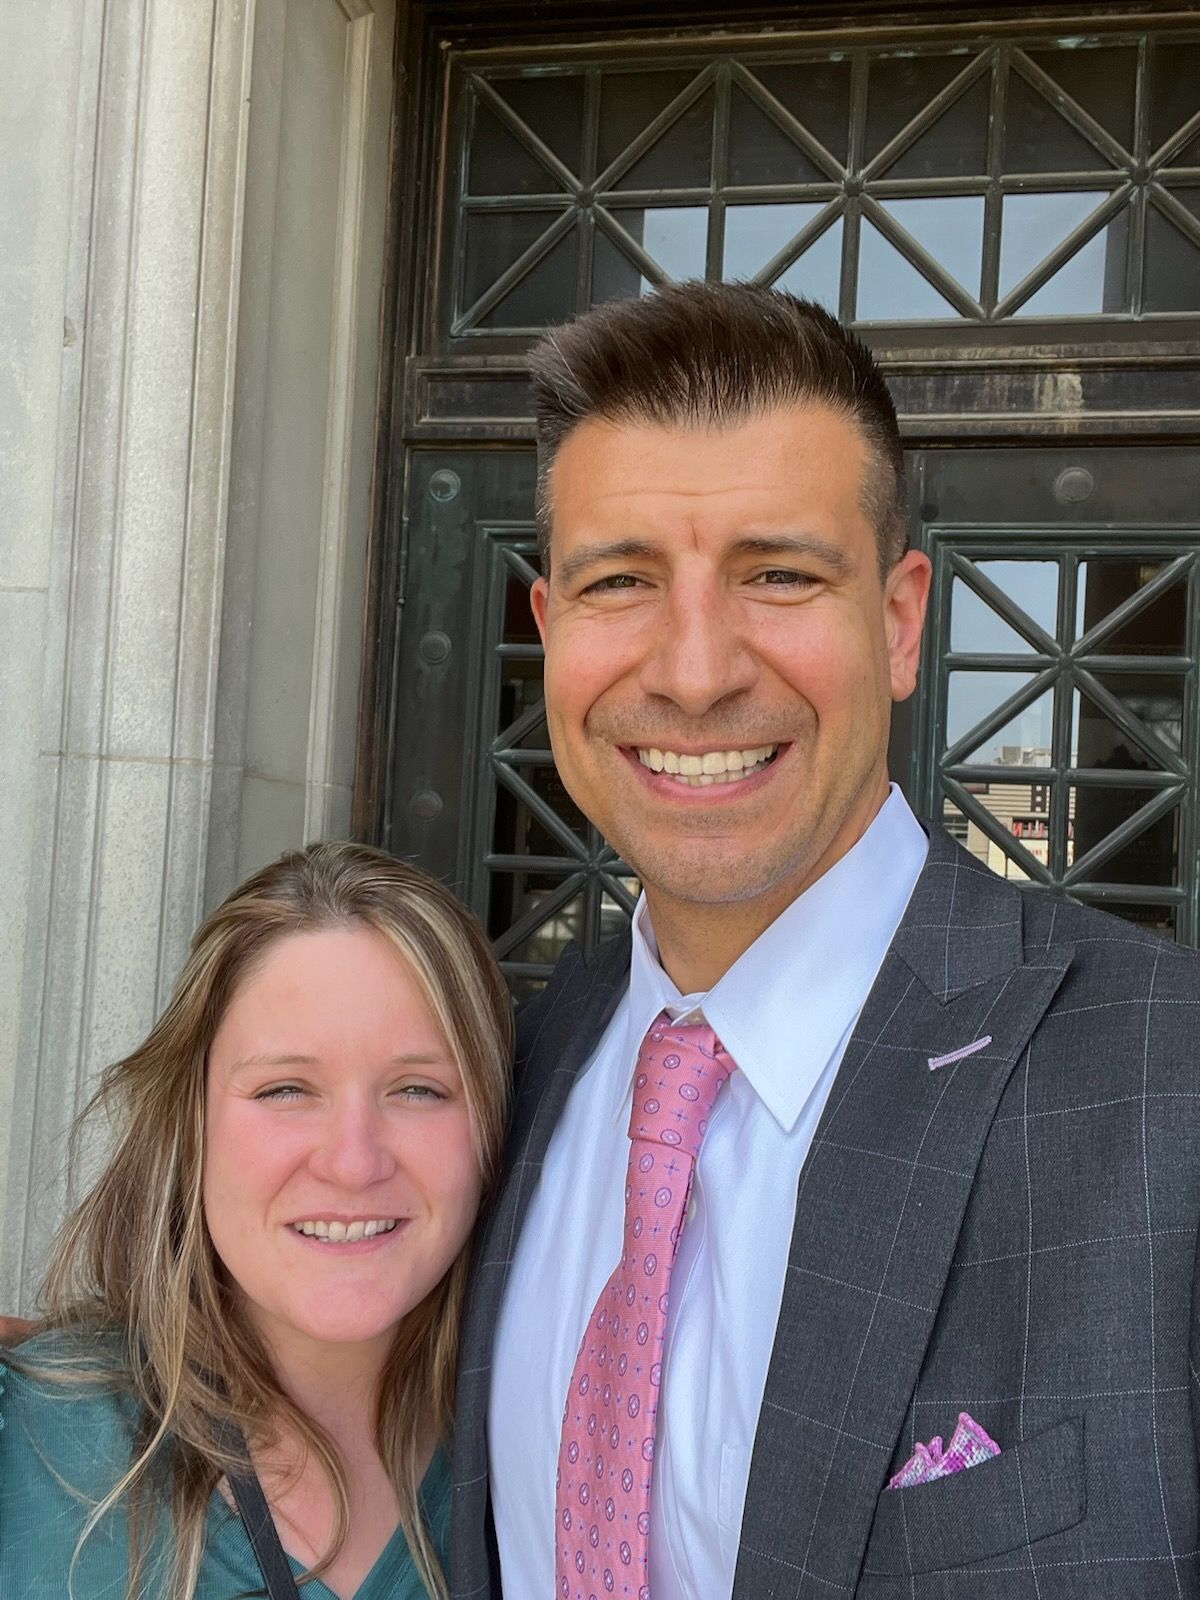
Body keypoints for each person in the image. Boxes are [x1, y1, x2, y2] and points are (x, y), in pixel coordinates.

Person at [450, 282, 1200, 1599]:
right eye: (620, 581)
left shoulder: (1167, 1079)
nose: (694, 673)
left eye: (779, 574)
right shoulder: (507, 1073)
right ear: (550, 629)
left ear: (901, 623)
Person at [0, 841, 511, 1600]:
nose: (353, 1162)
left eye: (419, 1090)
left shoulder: (553, 1466)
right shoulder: (27, 1445)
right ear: (191, 1125)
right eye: (285, 1090)